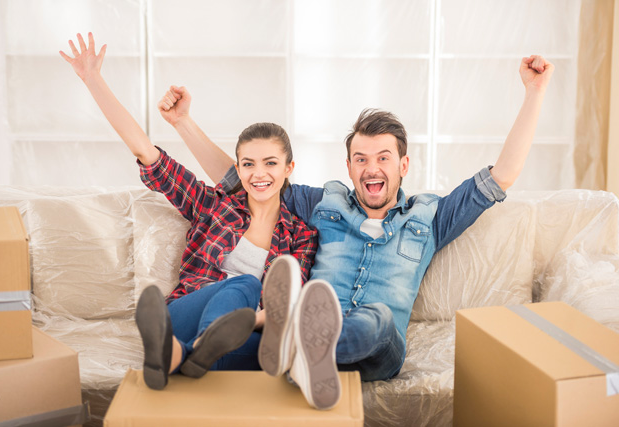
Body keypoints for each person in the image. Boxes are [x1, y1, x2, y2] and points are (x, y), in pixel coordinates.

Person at [161, 55, 554, 385]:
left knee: (376, 317)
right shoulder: (323, 203)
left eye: (383, 157)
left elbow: (500, 176)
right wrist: (183, 123)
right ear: (349, 167)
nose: (372, 167)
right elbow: (247, 180)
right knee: (252, 341)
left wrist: (535, 94)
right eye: (361, 159)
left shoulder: (431, 215)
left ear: (403, 165)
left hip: (377, 348)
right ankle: (286, 359)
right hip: (310, 325)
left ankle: (299, 353)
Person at [59, 33, 341, 410]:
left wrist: (251, 321)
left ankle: (176, 357)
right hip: (185, 311)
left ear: (289, 168)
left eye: (271, 163)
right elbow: (146, 150)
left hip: (247, 332)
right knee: (242, 283)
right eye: (249, 164)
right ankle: (201, 342)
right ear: (237, 169)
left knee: (265, 350)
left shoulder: (301, 236)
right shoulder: (212, 205)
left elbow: (285, 305)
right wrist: (93, 79)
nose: (260, 174)